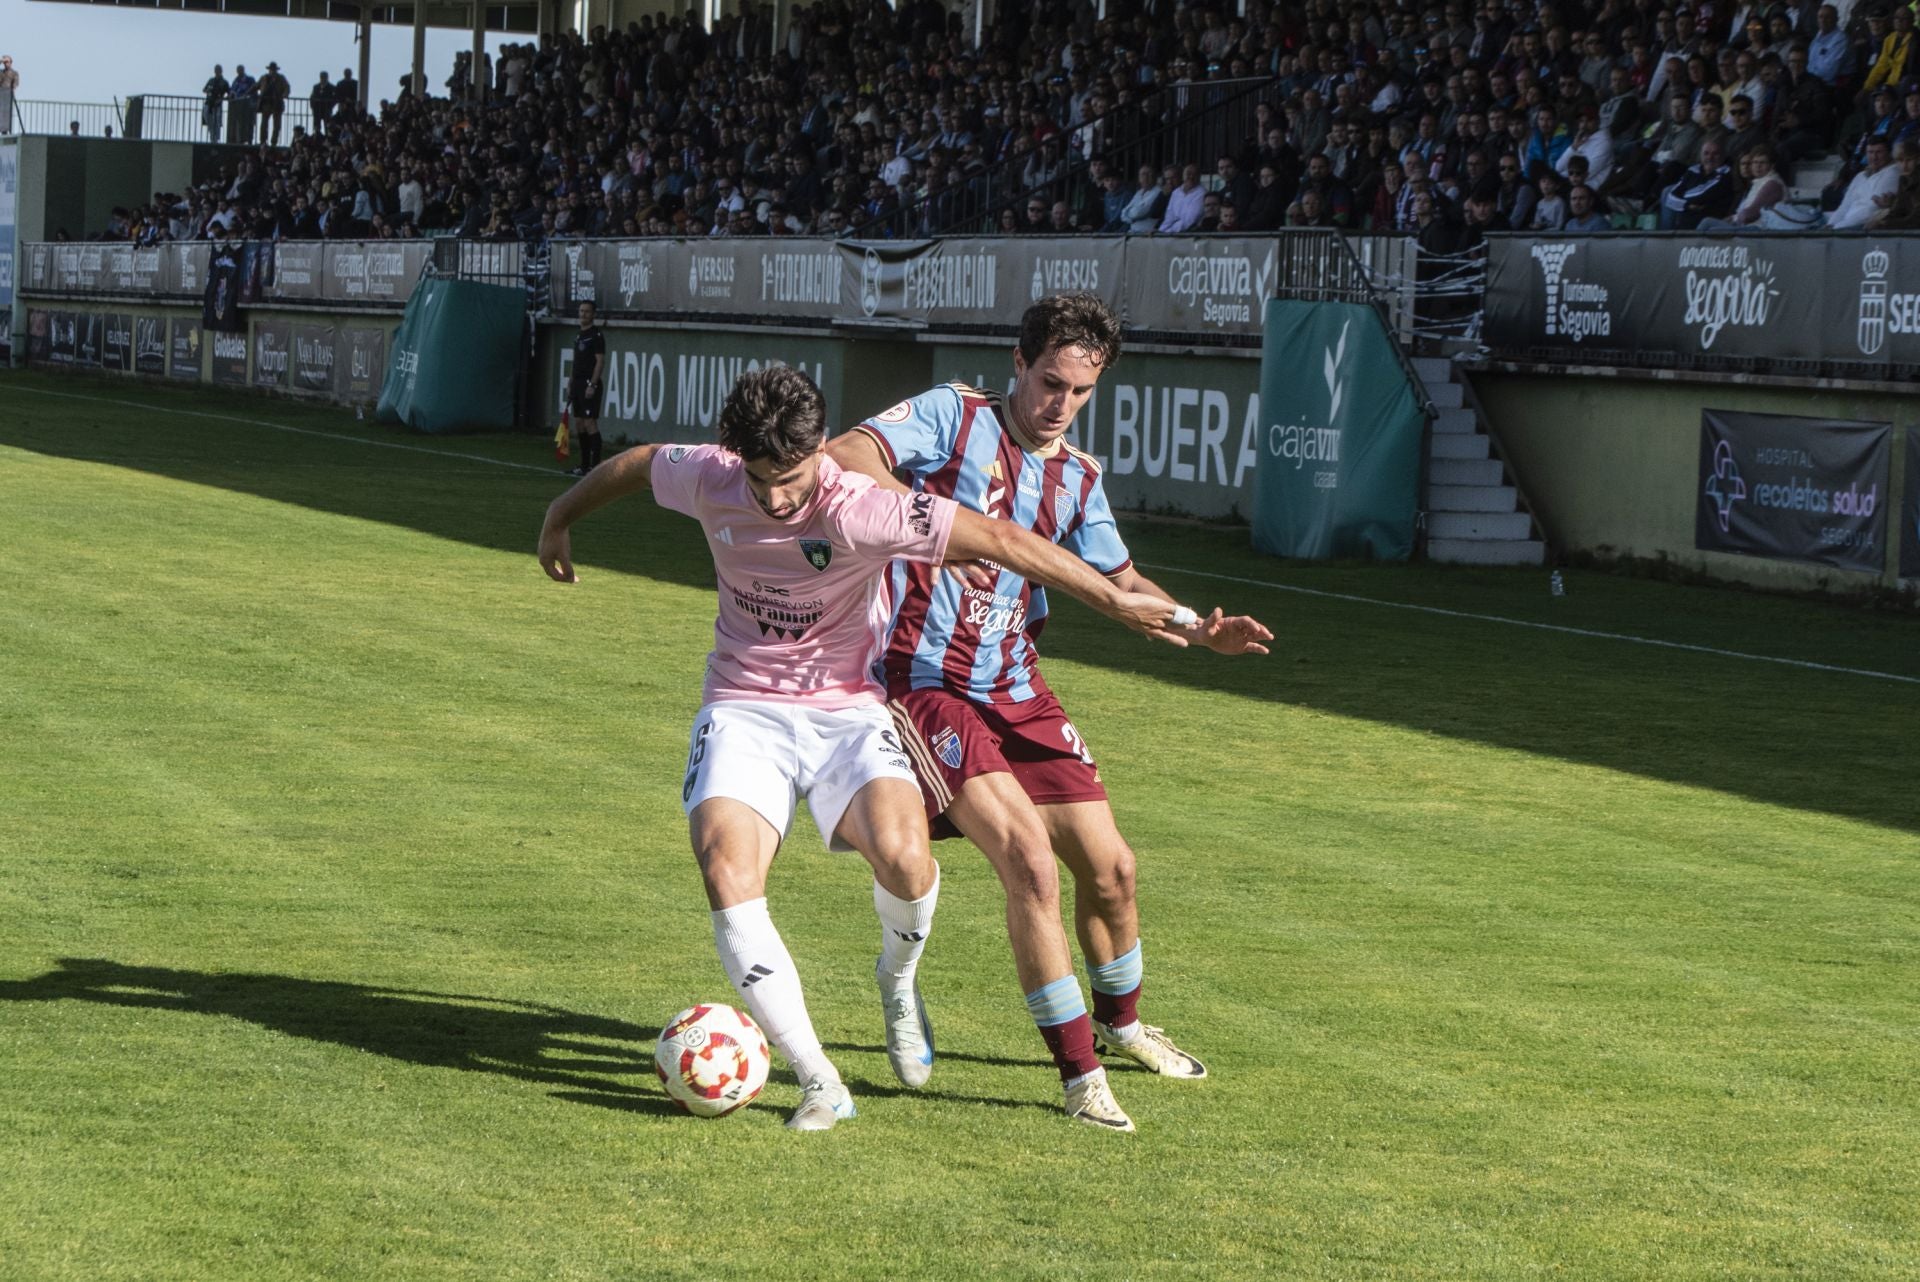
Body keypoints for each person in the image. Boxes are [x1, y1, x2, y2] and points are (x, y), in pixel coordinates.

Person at [536, 364, 1183, 1131]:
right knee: (725, 870)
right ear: (732, 454)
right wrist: (558, 517)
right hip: (744, 706)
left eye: (793, 477)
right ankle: (819, 1080)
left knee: (910, 863)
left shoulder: (866, 509)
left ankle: (898, 982)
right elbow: (639, 463)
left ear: (820, 453)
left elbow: (1009, 539)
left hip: (849, 711)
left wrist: (1119, 602)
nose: (777, 499)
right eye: (761, 479)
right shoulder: (710, 475)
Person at [827, 294, 1273, 1133]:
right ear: (1018, 364)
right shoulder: (950, 418)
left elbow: (1123, 581)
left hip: (1016, 686)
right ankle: (1079, 1077)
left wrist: (1195, 627)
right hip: (921, 684)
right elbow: (844, 456)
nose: (1059, 403)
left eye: (1080, 390)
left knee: (1113, 868)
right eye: (1048, 381)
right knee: (1028, 861)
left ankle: (1127, 1024)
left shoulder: (1080, 477)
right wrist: (929, 527)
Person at [567, 301, 607, 475]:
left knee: (590, 423)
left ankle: (595, 467)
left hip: (588, 384)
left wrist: (592, 384)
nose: (583, 314)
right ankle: (584, 465)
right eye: (581, 311)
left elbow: (600, 361)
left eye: (587, 312)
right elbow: (576, 362)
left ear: (593, 314)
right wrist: (570, 383)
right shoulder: (579, 335)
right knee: (579, 424)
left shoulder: (596, 335)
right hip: (577, 384)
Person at [257, 62, 290, 147]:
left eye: (274, 70)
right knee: (264, 124)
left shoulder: (281, 78)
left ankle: (273, 142)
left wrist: (284, 95)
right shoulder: (264, 78)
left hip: (277, 104)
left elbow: (287, 87)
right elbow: (256, 86)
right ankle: (263, 141)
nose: (272, 71)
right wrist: (248, 93)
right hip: (266, 103)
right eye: (271, 69)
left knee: (277, 125)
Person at [229, 64, 258, 146]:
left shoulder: (250, 79)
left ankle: (250, 140)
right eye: (238, 70)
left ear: (243, 70)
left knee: (249, 123)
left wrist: (254, 102)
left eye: (240, 70)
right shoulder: (236, 80)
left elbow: (254, 90)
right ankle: (241, 140)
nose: (239, 71)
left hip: (249, 105)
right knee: (240, 123)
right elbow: (232, 91)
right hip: (238, 105)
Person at [202, 65, 229, 143]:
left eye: (218, 70)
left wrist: (222, 99)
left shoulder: (224, 82)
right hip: (208, 103)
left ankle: (215, 139)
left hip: (217, 104)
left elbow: (229, 93)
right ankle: (212, 135)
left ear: (221, 71)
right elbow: (204, 89)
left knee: (217, 121)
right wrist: (209, 91)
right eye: (216, 70)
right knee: (207, 118)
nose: (217, 71)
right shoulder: (211, 80)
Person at [0, 56, 18, 136]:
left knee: (7, 114)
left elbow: (15, 83)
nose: (6, 64)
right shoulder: (1, 72)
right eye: (5, 62)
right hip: (1, 93)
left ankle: (6, 130)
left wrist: (12, 90)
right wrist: (1, 61)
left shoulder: (14, 73)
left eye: (7, 62)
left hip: (8, 94)